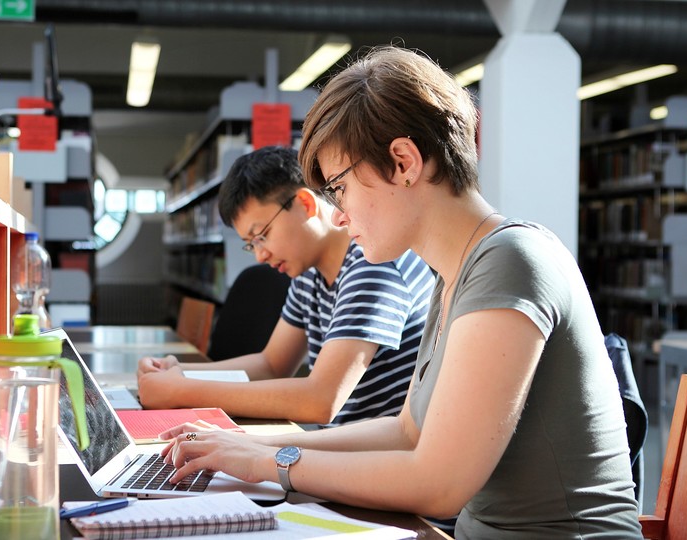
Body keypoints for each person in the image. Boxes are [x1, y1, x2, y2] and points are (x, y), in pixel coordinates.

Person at [156, 47, 643, 538]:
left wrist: (272, 462)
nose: (340, 217)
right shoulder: (453, 273)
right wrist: (244, 447)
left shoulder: (511, 259)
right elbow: (406, 431)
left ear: (403, 161)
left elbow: (439, 484)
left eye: (340, 189)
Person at [137, 145, 435, 426]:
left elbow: (321, 401)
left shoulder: (373, 264)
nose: (260, 254)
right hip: (343, 448)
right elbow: (271, 365)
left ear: (305, 204)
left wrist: (181, 392)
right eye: (251, 244)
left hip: (382, 460)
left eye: (262, 234)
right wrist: (177, 373)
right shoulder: (308, 273)